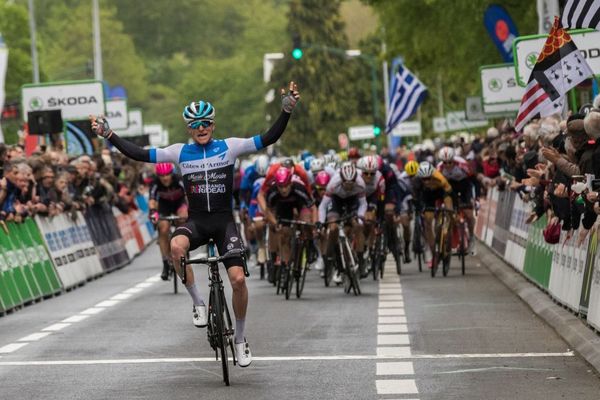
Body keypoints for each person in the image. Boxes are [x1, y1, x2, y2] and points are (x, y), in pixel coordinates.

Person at [91, 81, 300, 368]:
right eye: (195, 124)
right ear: (189, 128)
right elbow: (139, 153)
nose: (201, 128)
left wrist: (286, 111)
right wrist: (109, 135)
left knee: (238, 280)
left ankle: (239, 339)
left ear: (213, 125)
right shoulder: (179, 152)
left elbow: (268, 138)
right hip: (198, 223)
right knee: (176, 247)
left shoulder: (230, 147)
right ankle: (198, 302)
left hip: (225, 223)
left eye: (206, 123)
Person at [148, 162, 188, 280]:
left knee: (183, 218)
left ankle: (183, 247)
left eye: (167, 175)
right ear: (158, 176)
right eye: (162, 175)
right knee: (163, 228)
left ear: (172, 173)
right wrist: (153, 212)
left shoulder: (178, 179)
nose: (165, 178)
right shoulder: (155, 183)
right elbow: (152, 200)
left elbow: (188, 196)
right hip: (164, 206)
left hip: (179, 204)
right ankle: (165, 262)